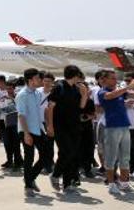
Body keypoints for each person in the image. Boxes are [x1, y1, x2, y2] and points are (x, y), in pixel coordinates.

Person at [47, 65, 88, 194]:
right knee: (67, 152)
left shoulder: (76, 89)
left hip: (74, 126)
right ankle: (55, 175)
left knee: (71, 154)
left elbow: (81, 107)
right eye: (78, 76)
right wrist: (50, 126)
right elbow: (50, 108)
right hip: (60, 126)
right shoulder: (59, 87)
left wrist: (85, 94)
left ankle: (67, 184)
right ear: (75, 75)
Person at [97, 69, 134, 195]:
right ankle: (111, 184)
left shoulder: (119, 92)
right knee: (111, 158)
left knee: (125, 157)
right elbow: (111, 96)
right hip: (112, 128)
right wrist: (128, 87)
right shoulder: (102, 92)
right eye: (112, 78)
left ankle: (124, 183)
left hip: (124, 127)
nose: (116, 80)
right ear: (104, 80)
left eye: (115, 78)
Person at [16, 68, 45, 197]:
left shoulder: (37, 93)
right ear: (30, 80)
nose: (40, 80)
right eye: (38, 78)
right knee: (29, 157)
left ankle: (30, 177)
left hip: (38, 129)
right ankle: (28, 186)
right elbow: (21, 116)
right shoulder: (22, 95)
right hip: (26, 129)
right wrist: (27, 133)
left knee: (46, 156)